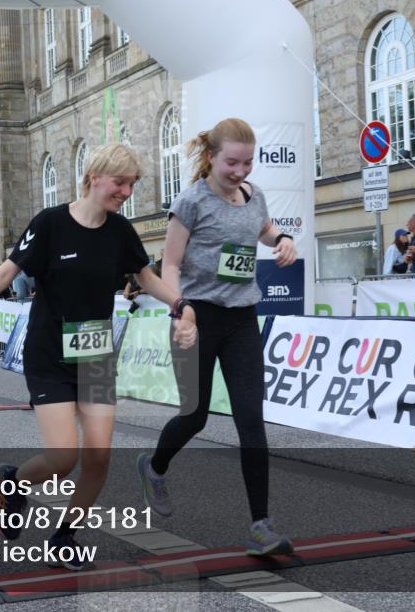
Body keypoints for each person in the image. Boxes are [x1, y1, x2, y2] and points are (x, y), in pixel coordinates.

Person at [0, 143, 195, 571]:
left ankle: (64, 537)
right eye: (120, 182)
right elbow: (6, 272)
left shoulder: (120, 231)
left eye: (132, 184)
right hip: (49, 356)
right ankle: (14, 483)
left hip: (95, 356)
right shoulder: (51, 224)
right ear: (94, 177)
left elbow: (146, 277)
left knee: (98, 457)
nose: (127, 192)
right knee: (63, 458)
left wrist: (181, 304)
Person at [136, 118, 298, 557]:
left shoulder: (254, 195)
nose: (241, 171)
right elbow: (170, 265)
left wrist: (282, 239)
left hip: (242, 318)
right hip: (196, 316)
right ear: (211, 157)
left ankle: (261, 526)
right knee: (195, 415)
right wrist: (178, 313)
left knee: (251, 420)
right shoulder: (191, 201)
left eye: (248, 163)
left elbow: (262, 227)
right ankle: (154, 467)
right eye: (232, 163)